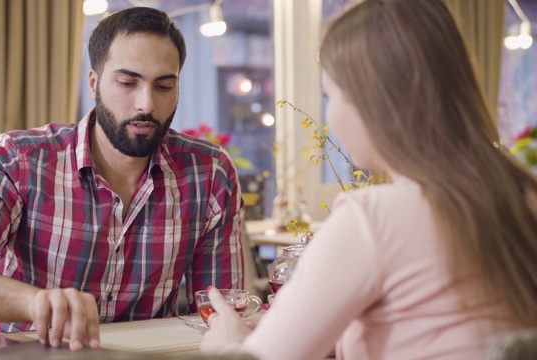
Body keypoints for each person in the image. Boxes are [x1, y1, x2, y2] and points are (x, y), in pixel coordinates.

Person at [200, 0, 537, 359]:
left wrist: (231, 345)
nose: (330, 117)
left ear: (375, 100)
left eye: (332, 95)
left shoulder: (378, 215)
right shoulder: (523, 194)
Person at [0, 6, 244, 351]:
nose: (145, 103)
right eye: (127, 82)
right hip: (28, 353)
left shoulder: (210, 173)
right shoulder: (19, 158)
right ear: (94, 83)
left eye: (163, 85)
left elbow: (221, 310)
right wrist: (36, 303)